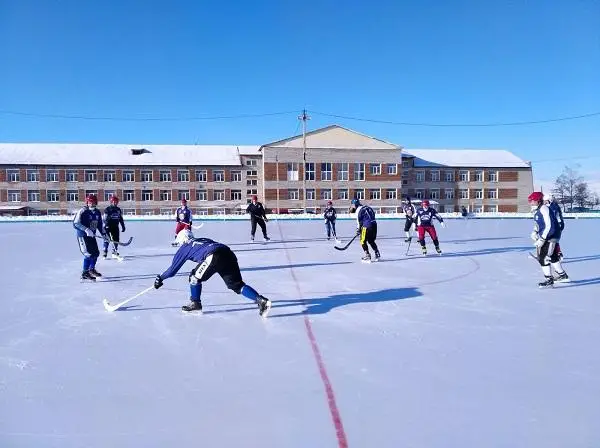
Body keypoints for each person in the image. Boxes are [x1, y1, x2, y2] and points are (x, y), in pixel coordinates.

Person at [153, 230, 272, 317]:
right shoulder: (202, 239)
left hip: (214, 256)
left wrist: (160, 278)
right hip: (228, 253)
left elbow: (172, 270)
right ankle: (261, 301)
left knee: (194, 277)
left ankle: (195, 303)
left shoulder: (184, 247)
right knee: (236, 285)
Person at [529, 192, 569, 288]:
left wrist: (542, 239)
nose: (530, 203)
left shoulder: (544, 209)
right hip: (548, 235)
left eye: (532, 201)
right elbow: (539, 224)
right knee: (553, 257)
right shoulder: (539, 209)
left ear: (538, 200)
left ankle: (549, 279)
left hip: (551, 235)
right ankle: (563, 276)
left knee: (543, 258)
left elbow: (549, 225)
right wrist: (535, 231)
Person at [72, 194, 107, 281]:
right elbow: (75, 223)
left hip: (92, 236)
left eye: (93, 202)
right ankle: (85, 273)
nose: (91, 204)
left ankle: (91, 269)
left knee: (96, 253)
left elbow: (99, 225)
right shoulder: (83, 211)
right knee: (88, 254)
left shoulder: (97, 212)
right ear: (87, 203)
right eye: (90, 202)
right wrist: (86, 229)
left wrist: (104, 234)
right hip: (83, 236)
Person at [349, 198, 380, 262]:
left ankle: (367, 255)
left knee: (362, 241)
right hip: (374, 225)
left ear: (355, 205)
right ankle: (377, 253)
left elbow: (359, 222)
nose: (352, 207)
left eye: (352, 205)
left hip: (367, 226)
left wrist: (358, 230)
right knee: (371, 240)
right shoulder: (368, 207)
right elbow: (372, 216)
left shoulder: (358, 210)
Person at [544, 194, 565, 260]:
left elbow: (556, 217)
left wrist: (559, 225)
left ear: (550, 200)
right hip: (555, 225)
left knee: (552, 240)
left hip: (556, 226)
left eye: (546, 201)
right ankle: (558, 253)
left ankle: (552, 255)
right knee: (553, 241)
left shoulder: (553, 207)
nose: (545, 202)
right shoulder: (551, 206)